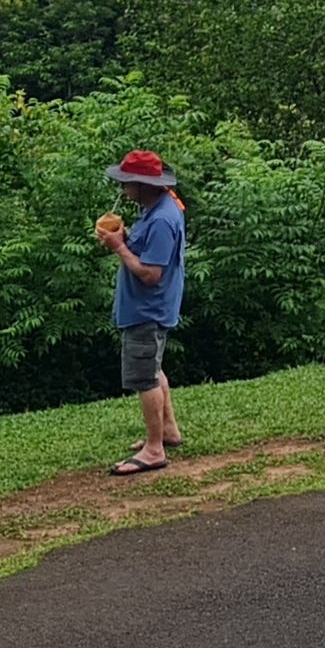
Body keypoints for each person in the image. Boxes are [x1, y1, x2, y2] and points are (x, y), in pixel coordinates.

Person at [94, 148, 186, 474]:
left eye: (127, 183)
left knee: (144, 377)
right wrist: (125, 238)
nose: (123, 190)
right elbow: (149, 251)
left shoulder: (162, 218)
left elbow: (150, 274)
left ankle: (154, 449)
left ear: (144, 184)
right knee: (154, 367)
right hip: (150, 308)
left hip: (148, 309)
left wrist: (119, 247)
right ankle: (168, 431)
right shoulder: (156, 208)